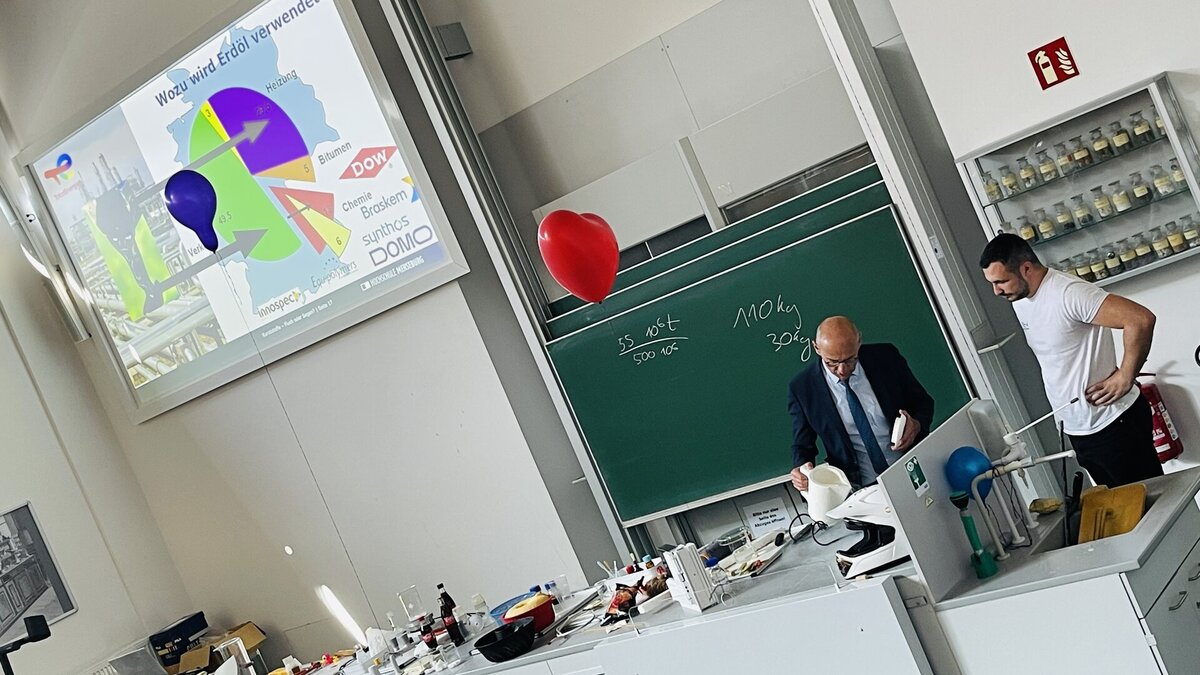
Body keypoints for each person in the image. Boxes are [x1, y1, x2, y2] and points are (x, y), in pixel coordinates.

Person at [979, 233, 1161, 487]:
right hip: (1079, 429)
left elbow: (1139, 319)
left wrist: (1125, 376)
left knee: (1153, 503)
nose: (996, 291)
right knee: (1121, 507)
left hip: (1113, 423)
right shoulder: (1020, 299)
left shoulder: (1069, 293)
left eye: (1001, 281)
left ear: (1026, 268)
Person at [789, 316, 935, 492]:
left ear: (859, 342)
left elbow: (923, 402)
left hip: (914, 466)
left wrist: (917, 424)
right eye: (831, 362)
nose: (842, 370)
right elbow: (803, 445)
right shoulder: (803, 388)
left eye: (850, 359)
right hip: (861, 488)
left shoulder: (886, 357)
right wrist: (801, 470)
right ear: (816, 348)